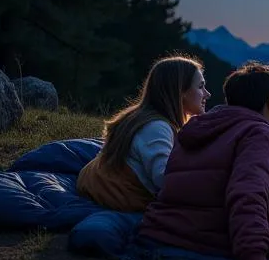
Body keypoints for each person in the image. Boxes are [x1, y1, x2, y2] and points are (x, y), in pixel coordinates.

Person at [139, 61, 269, 260]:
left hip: (168, 231)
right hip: (215, 239)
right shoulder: (260, 133)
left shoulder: (196, 127)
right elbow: (248, 193)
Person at [77, 55, 209, 213]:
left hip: (95, 185)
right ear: (180, 92)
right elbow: (164, 179)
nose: (207, 94)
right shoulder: (157, 127)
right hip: (112, 195)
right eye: (201, 87)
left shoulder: (144, 117)